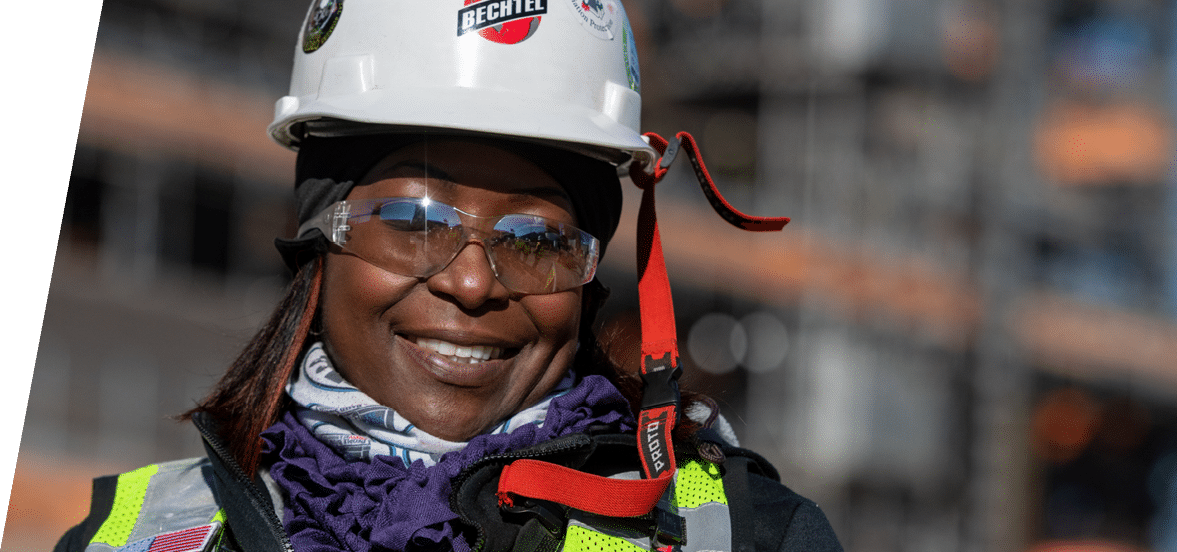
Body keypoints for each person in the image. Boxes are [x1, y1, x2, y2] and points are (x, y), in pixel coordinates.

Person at [55, 1, 842, 551]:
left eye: (537, 240)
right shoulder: (139, 537)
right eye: (412, 225)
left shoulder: (741, 536)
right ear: (316, 244)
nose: (472, 285)